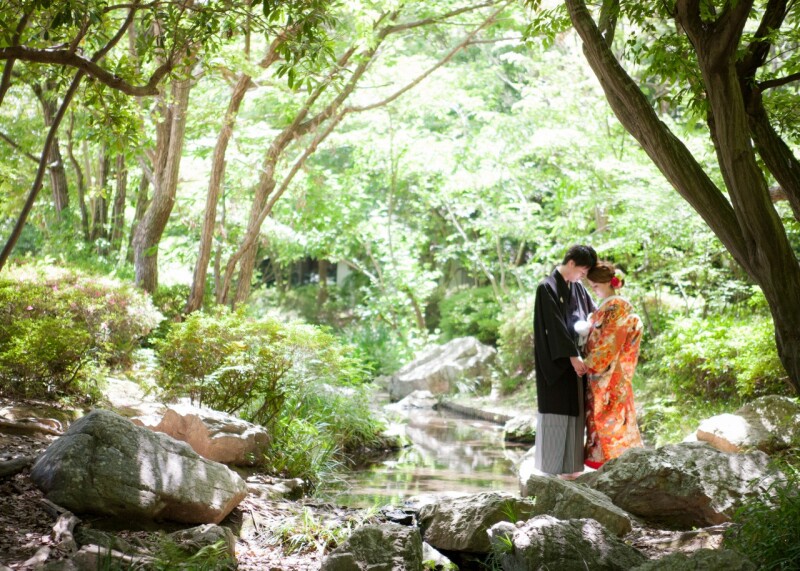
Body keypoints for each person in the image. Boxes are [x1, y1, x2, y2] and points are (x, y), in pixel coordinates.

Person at [533, 244, 597, 478]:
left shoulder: (578, 289)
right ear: (571, 263)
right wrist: (572, 355)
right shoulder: (546, 287)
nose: (583, 276)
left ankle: (571, 470)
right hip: (557, 363)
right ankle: (551, 470)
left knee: (576, 412)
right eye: (582, 270)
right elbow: (554, 325)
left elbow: (593, 314)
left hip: (577, 363)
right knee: (557, 411)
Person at [582, 261, 644, 469]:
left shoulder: (616, 306)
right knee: (602, 416)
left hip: (608, 373)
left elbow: (610, 341)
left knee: (609, 416)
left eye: (596, 286)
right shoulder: (608, 305)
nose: (594, 290)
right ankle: (605, 462)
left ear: (608, 283)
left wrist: (588, 363)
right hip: (601, 373)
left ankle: (614, 462)